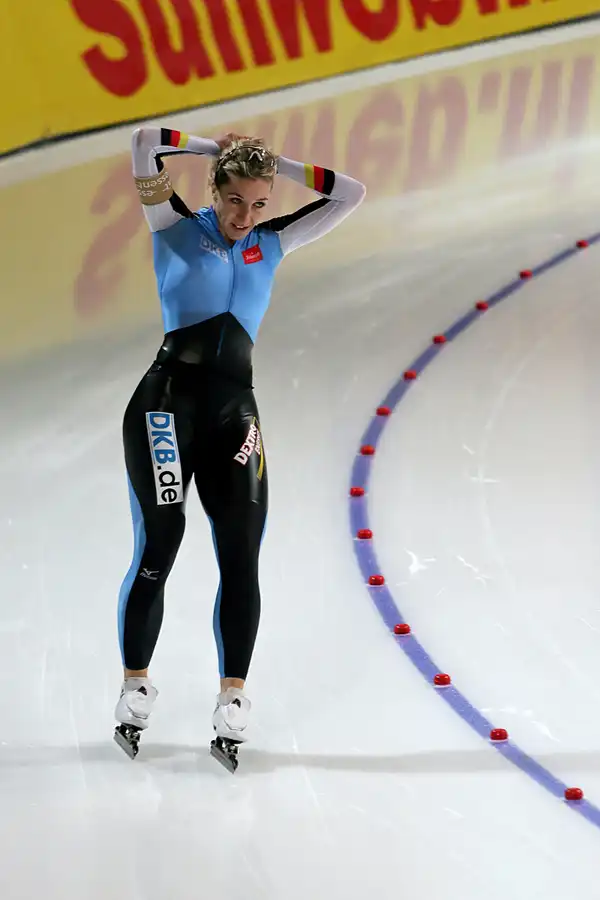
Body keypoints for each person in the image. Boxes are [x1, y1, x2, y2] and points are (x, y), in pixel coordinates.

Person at [113, 123, 366, 768]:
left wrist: (274, 163)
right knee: (162, 539)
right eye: (234, 200)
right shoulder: (171, 223)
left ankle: (233, 696)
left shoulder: (272, 242)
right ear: (213, 190)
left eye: (259, 203)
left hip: (234, 412)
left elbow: (351, 193)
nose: (245, 216)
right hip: (166, 405)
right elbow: (144, 142)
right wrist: (214, 149)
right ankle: (135, 685)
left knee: (241, 552)